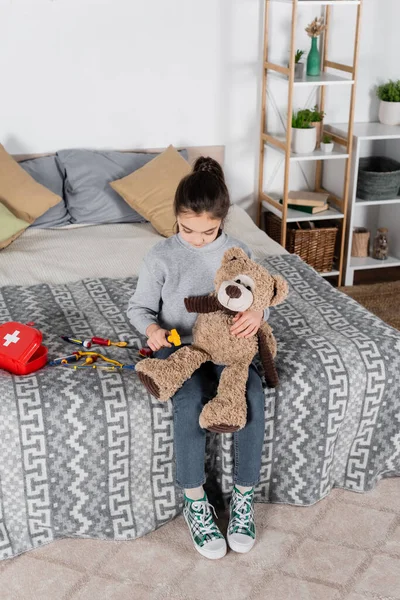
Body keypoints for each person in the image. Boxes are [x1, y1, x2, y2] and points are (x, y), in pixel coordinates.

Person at [127, 156, 267, 560]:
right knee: (188, 400)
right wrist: (153, 331)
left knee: (251, 394)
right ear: (175, 217)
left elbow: (259, 295)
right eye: (188, 229)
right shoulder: (161, 255)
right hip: (181, 345)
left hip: (227, 343)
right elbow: (139, 308)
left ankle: (243, 499)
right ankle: (194, 500)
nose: (198, 238)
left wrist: (257, 314)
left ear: (223, 220)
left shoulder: (239, 252)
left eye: (209, 231)